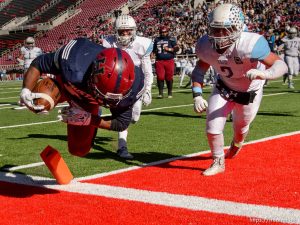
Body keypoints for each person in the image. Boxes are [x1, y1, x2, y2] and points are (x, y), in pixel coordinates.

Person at [191, 4, 288, 176]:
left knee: (240, 127)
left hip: (249, 90)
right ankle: (218, 161)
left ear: (237, 28)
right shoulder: (206, 44)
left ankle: (237, 142)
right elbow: (199, 70)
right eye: (215, 29)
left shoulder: (249, 43)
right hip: (224, 86)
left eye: (225, 30)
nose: (219, 35)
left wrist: (264, 74)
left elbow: (281, 65)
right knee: (212, 127)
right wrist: (197, 95)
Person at [20, 37, 145, 157]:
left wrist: (90, 120)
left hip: (86, 103)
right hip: (65, 86)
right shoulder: (74, 61)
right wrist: (26, 90)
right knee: (41, 101)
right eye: (104, 94)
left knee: (78, 149)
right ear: (93, 75)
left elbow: (121, 123)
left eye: (114, 98)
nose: (107, 102)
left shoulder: (134, 86)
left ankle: (91, 125)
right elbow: (38, 63)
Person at [101, 14, 153, 159]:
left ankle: (110, 121)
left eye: (128, 31)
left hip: (136, 83)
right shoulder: (108, 43)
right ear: (115, 31)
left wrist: (148, 89)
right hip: (117, 84)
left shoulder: (142, 44)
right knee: (123, 115)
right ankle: (122, 147)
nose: (125, 35)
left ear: (134, 30)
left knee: (134, 117)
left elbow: (147, 70)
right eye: (121, 31)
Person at [152, 26, 179, 98]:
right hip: (159, 61)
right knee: (160, 77)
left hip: (169, 60)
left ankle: (170, 93)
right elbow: (154, 49)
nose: (163, 33)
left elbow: (177, 48)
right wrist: (152, 54)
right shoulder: (157, 39)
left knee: (169, 77)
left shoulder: (171, 39)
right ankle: (160, 93)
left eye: (165, 32)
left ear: (167, 32)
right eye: (162, 32)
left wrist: (169, 49)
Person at [17, 37, 43, 105]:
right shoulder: (23, 49)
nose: (29, 45)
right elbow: (19, 58)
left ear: (33, 43)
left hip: (35, 68)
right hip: (26, 68)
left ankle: (35, 99)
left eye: (31, 43)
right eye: (28, 43)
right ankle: (22, 100)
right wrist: (20, 61)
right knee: (25, 85)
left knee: (35, 84)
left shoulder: (38, 50)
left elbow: (41, 58)